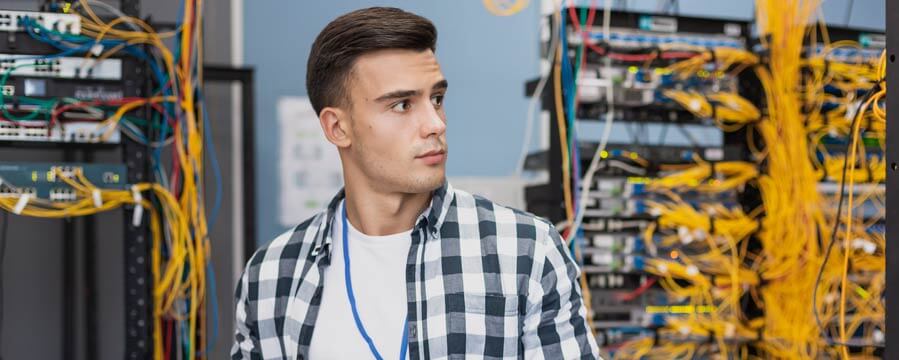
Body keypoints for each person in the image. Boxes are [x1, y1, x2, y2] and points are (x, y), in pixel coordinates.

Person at [232, 7, 599, 359]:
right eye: (402, 105)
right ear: (337, 127)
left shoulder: (526, 252)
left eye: (436, 99)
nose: (436, 124)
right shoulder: (271, 274)